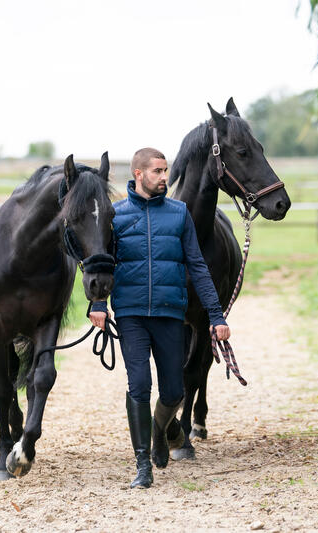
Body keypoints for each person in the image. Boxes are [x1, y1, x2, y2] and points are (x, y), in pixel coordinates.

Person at [89, 147, 230, 489]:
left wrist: (216, 314)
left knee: (172, 391)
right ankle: (142, 465)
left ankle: (159, 429)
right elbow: (100, 263)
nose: (165, 177)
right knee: (138, 385)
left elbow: (196, 265)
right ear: (139, 174)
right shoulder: (115, 215)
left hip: (170, 314)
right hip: (132, 314)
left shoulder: (179, 214)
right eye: (158, 171)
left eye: (166, 171)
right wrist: (98, 303)